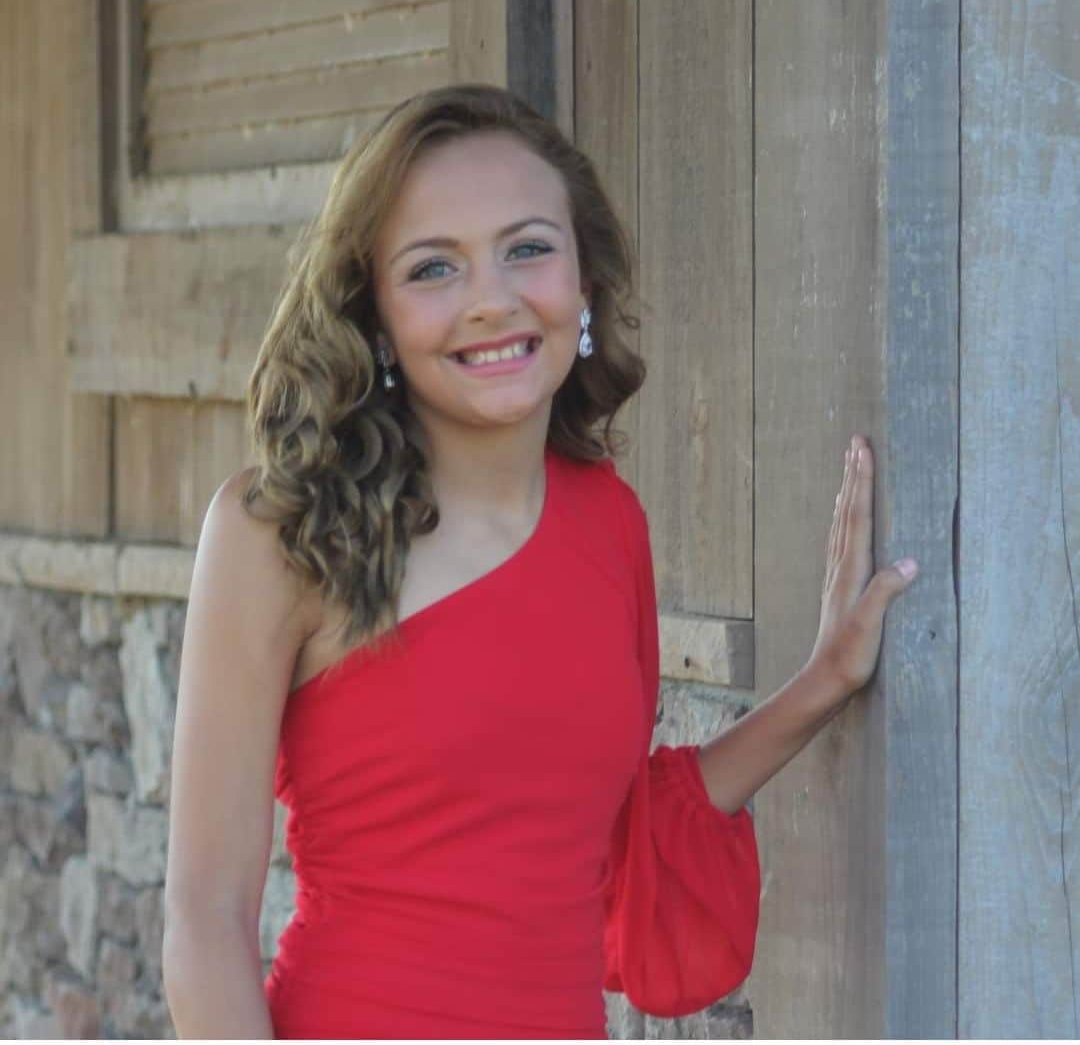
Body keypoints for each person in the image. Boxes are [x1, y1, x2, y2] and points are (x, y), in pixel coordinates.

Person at [161, 84, 918, 1040]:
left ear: (584, 285)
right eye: (434, 269)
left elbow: (621, 832)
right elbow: (203, 921)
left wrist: (823, 681)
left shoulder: (610, 526)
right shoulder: (278, 532)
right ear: (377, 315)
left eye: (527, 249)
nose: (492, 300)